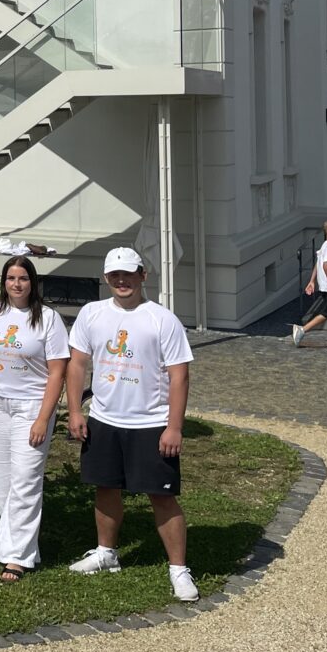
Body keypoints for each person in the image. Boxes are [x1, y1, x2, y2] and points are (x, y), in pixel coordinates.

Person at [66, 246, 199, 603]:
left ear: (143, 275)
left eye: (128, 274)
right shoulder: (92, 314)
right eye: (115, 275)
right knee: (105, 488)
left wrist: (174, 427)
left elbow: (179, 376)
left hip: (151, 423)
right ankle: (106, 553)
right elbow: (77, 364)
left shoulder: (162, 319)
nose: (121, 281)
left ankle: (178, 569)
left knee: (162, 495)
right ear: (106, 278)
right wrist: (75, 411)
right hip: (104, 419)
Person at [0, 254, 69, 582]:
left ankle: (15, 558)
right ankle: (24, 547)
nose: (16, 284)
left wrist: (43, 418)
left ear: (32, 282)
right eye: (11, 278)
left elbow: (57, 372)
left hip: (31, 407)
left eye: (23, 278)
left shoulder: (48, 319)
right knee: (1, 483)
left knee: (26, 479)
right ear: (3, 282)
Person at [292, 219, 327, 350]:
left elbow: (318, 264)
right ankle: (302, 330)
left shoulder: (324, 245)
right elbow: (325, 265)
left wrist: (312, 281)